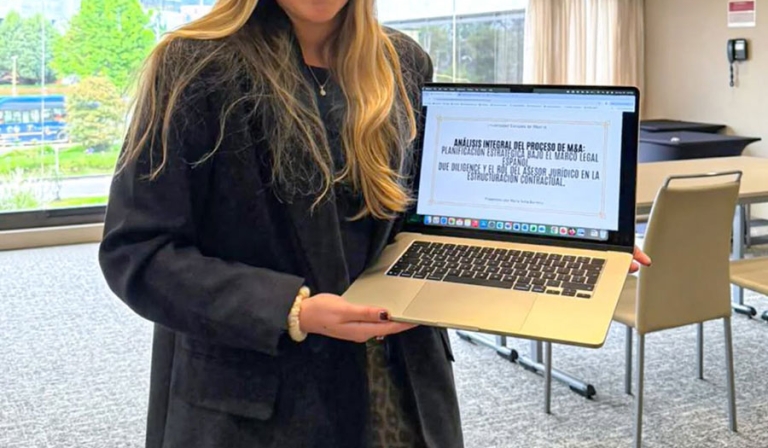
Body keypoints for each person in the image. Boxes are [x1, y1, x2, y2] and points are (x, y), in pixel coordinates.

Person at [99, 1, 652, 447]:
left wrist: (557, 239)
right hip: (259, 399)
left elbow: (428, 212)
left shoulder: (403, 63)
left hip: (399, 373)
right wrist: (293, 310)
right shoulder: (195, 66)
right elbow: (138, 253)